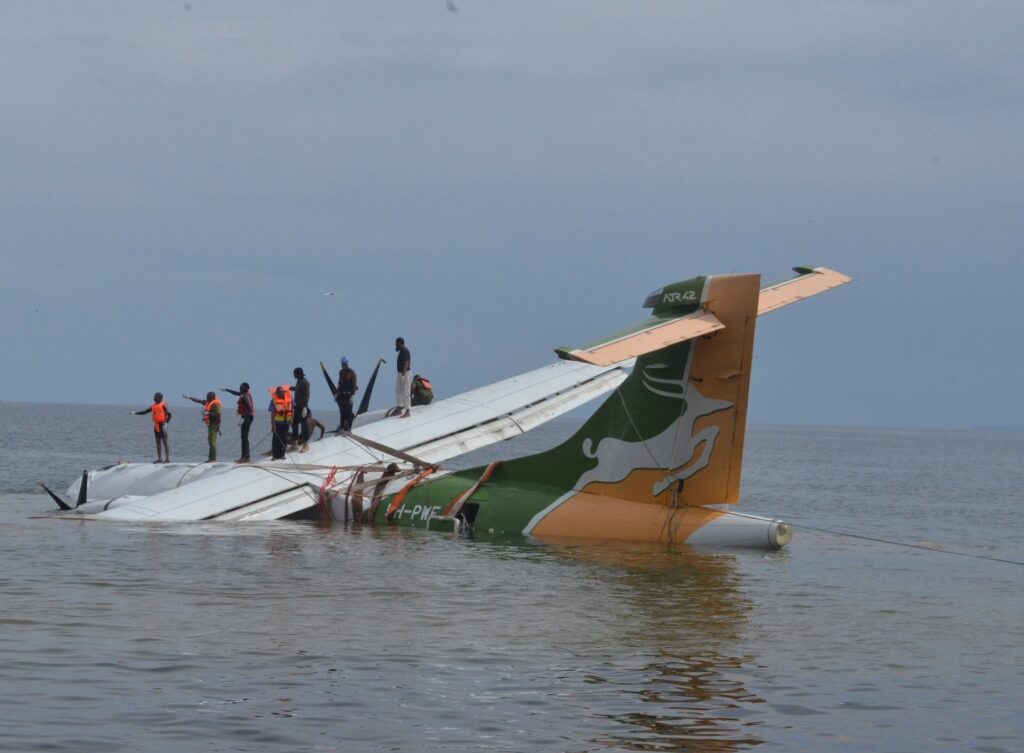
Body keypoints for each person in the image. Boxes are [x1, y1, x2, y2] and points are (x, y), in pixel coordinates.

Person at [131, 392, 172, 463]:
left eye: (155, 397)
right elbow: (145, 411)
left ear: (160, 398)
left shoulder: (164, 405)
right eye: (154, 397)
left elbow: (170, 415)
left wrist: (166, 424)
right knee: (158, 442)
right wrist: (135, 413)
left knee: (165, 441)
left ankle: (167, 459)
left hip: (163, 425)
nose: (154, 398)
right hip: (156, 426)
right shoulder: (153, 406)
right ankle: (159, 458)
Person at [184, 391, 222, 462]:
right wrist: (189, 397)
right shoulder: (208, 402)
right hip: (210, 424)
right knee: (210, 440)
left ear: (212, 397)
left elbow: (217, 415)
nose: (206, 398)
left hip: (214, 424)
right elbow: (199, 401)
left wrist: (208, 413)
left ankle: (213, 459)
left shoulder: (215, 404)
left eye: (208, 397)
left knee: (212, 441)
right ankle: (211, 458)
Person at [223, 383, 255, 463]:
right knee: (243, 437)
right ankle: (245, 457)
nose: (239, 388)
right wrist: (227, 390)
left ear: (245, 388)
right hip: (247, 417)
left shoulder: (245, 397)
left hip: (247, 417)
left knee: (244, 438)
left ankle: (245, 458)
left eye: (240, 387)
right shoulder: (243, 394)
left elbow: (249, 408)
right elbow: (236, 393)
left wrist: (244, 417)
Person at [268, 385, 293, 460]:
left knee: (284, 438)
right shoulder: (273, 400)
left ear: (284, 392)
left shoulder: (290, 398)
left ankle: (282, 454)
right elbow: (272, 413)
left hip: (286, 422)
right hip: (277, 423)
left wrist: (292, 418)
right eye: (278, 392)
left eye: (281, 392)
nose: (280, 393)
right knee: (275, 439)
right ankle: (275, 456)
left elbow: (293, 409)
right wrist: (273, 425)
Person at [335, 356, 359, 433]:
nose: (343, 365)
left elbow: (355, 384)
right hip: (342, 395)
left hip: (349, 395)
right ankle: (342, 428)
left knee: (349, 412)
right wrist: (337, 393)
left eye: (345, 364)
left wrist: (353, 395)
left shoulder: (352, 372)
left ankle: (349, 429)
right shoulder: (341, 372)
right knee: (342, 412)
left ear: (347, 364)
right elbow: (339, 383)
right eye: (342, 364)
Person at [291, 367, 311, 452]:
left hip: (303, 407)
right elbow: (297, 389)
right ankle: (295, 443)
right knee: (294, 423)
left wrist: (305, 407)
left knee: (304, 425)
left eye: (294, 373)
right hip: (296, 406)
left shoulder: (305, 382)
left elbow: (307, 395)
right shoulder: (299, 381)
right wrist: (290, 388)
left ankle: (306, 444)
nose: (293, 375)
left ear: (298, 374)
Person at [394, 337, 412, 418]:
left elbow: (406, 363)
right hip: (400, 373)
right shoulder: (401, 351)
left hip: (405, 373)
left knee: (406, 391)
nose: (395, 344)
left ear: (400, 343)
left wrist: (403, 375)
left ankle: (407, 411)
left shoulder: (405, 351)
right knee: (398, 390)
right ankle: (399, 408)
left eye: (396, 343)